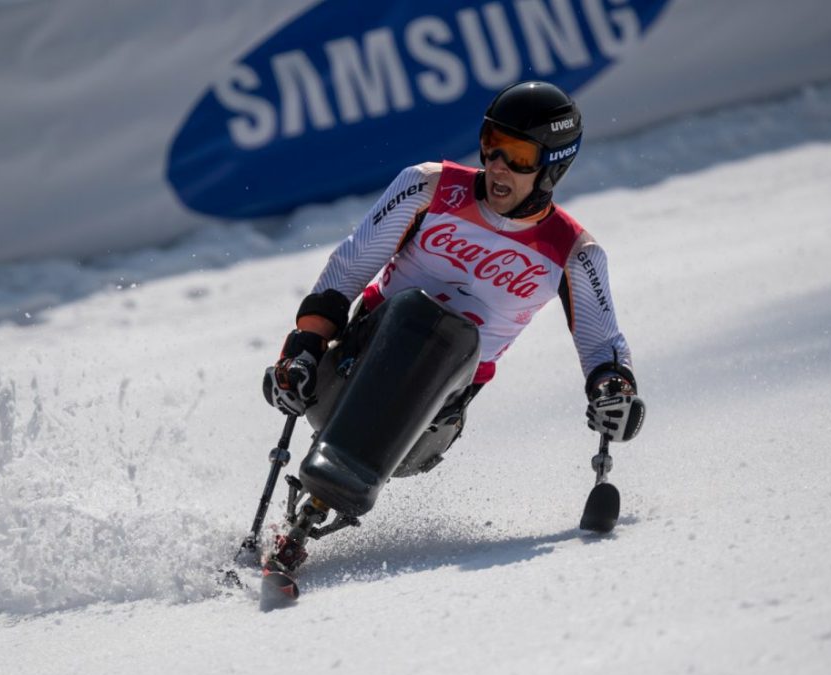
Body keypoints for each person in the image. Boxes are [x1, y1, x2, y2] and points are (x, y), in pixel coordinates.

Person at [260, 80, 645, 575]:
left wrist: (617, 392)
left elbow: (604, 346)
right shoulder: (428, 185)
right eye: (491, 144)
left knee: (453, 333)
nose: (499, 165)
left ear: (553, 167)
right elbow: (346, 272)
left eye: (520, 155)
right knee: (416, 312)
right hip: (348, 377)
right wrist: (303, 351)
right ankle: (310, 510)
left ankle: (314, 509)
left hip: (427, 425)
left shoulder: (574, 253)